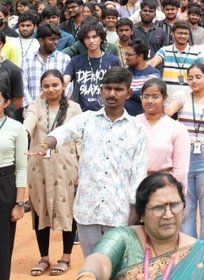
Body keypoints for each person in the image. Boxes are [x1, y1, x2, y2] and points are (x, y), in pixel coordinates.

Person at [32, 67, 148, 257]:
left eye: (118, 89)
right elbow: (64, 132)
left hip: (118, 213)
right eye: (107, 88)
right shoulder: (87, 120)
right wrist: (46, 144)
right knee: (92, 265)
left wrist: (133, 216)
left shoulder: (138, 130)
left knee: (117, 267)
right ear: (101, 91)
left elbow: (138, 174)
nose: (112, 94)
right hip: (87, 211)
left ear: (128, 93)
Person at [74, 173, 204, 279]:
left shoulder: (203, 256)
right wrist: (88, 275)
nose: (168, 214)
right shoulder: (124, 239)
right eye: (158, 208)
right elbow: (100, 260)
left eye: (175, 206)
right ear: (141, 213)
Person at [23, 70, 82, 277]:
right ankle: (44, 258)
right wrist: (23, 135)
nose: (51, 89)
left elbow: (79, 140)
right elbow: (28, 124)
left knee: (67, 210)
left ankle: (66, 257)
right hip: (38, 168)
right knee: (40, 212)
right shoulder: (35, 106)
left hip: (67, 167)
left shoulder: (74, 108)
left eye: (55, 85)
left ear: (63, 86)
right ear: (41, 88)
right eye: (46, 86)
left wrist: (81, 170)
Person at [164, 63, 204, 251]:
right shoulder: (182, 98)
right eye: (190, 77)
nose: (194, 81)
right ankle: (188, 255)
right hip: (184, 157)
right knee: (186, 210)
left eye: (198, 77)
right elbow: (166, 113)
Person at [135, 78, 190, 190]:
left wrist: (179, 194)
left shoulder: (177, 129)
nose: (150, 101)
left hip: (164, 186)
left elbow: (181, 170)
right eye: (146, 96)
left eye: (155, 97)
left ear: (164, 99)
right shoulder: (132, 124)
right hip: (136, 185)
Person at [0, 83, 27, 280]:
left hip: (5, 186)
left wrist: (19, 203)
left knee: (3, 243)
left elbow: (21, 167)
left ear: (6, 102)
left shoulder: (16, 128)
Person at [65, 22, 122, 111]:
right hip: (82, 113)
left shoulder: (113, 60)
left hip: (107, 111)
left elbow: (121, 85)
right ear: (83, 40)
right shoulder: (75, 61)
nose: (91, 41)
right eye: (87, 38)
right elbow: (64, 80)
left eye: (94, 37)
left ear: (101, 38)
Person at [147, 20, 204, 96]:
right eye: (180, 33)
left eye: (186, 34)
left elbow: (203, 74)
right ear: (172, 34)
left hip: (189, 98)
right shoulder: (164, 50)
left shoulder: (197, 53)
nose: (183, 36)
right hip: (167, 98)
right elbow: (153, 63)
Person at [22, 23, 70, 106]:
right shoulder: (27, 60)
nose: (56, 42)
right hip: (32, 111)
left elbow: (68, 87)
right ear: (41, 41)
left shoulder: (65, 59)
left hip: (58, 110)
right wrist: (33, 107)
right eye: (52, 39)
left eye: (57, 39)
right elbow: (23, 87)